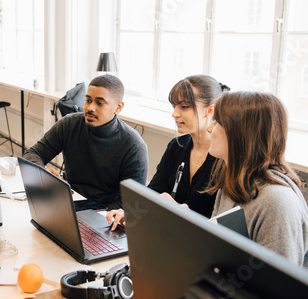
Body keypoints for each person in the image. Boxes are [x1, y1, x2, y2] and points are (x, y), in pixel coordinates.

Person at [107, 75, 229, 229]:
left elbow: (221, 225)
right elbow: (154, 193)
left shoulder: (223, 159)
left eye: (184, 107)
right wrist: (130, 213)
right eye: (174, 106)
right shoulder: (177, 146)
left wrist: (181, 213)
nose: (175, 114)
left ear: (210, 110)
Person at [206, 91, 308, 267]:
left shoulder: (276, 202)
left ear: (241, 134)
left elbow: (279, 286)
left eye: (217, 123)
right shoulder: (233, 180)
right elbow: (215, 248)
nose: (208, 128)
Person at [23, 74, 148, 210]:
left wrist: (94, 216)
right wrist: (44, 175)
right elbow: (33, 154)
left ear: (118, 107)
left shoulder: (134, 147)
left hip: (104, 212)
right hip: (70, 200)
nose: (90, 108)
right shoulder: (69, 124)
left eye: (99, 103)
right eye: (88, 100)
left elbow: (131, 204)